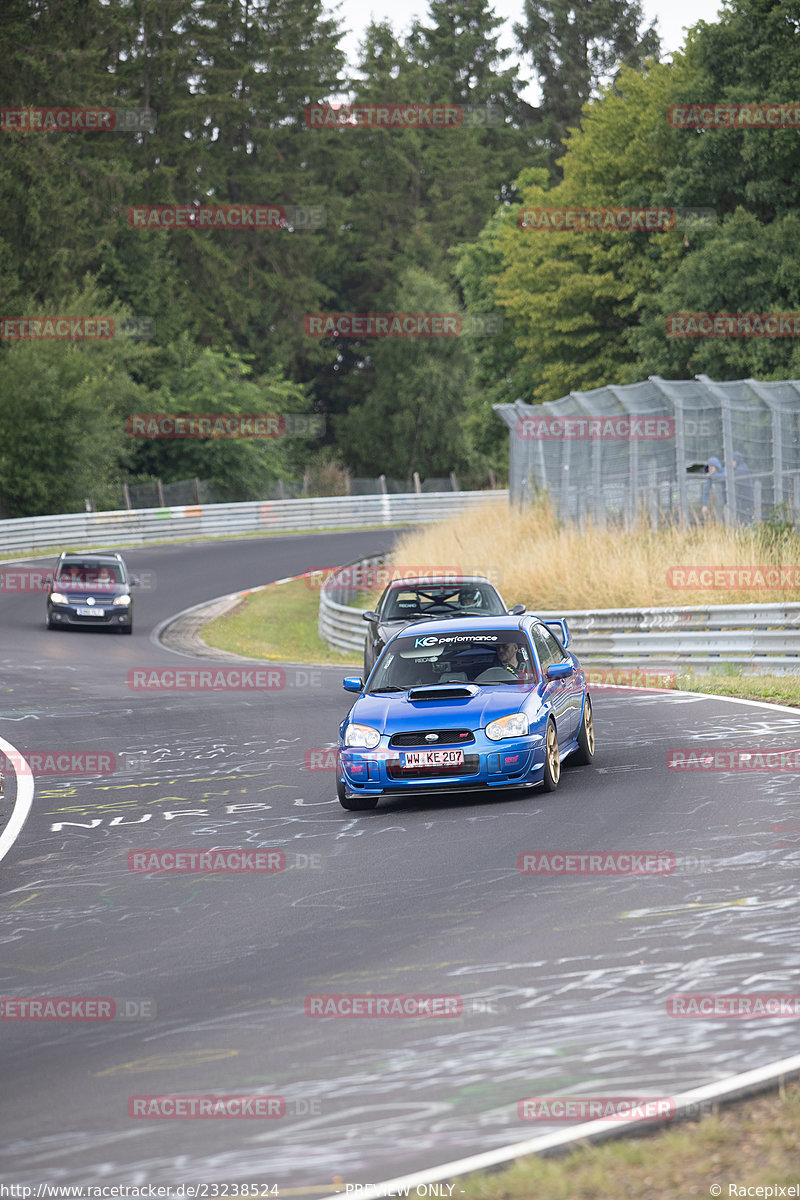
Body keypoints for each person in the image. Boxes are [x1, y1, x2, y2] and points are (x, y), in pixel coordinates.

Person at [730, 449, 755, 524]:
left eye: (733, 461)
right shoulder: (739, 468)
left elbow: (735, 475)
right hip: (742, 499)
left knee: (746, 519)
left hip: (746, 499)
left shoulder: (742, 468)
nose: (731, 463)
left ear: (736, 460)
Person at [701, 456, 726, 520]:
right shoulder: (711, 477)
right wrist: (704, 505)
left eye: (712, 467)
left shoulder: (724, 471)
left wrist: (712, 476)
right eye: (709, 467)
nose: (710, 469)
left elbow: (724, 476)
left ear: (717, 466)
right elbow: (706, 491)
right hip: (718, 504)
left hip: (727, 502)